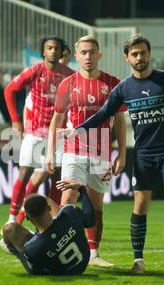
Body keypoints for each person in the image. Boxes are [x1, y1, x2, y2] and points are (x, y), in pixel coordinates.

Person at [67, 34, 164, 274]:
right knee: (140, 205)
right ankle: (138, 260)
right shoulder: (123, 89)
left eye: (143, 53)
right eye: (135, 54)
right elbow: (103, 114)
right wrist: (78, 129)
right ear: (127, 58)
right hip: (143, 154)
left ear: (149, 54)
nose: (140, 57)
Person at [46, 36, 127, 268]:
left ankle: (94, 254)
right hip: (73, 150)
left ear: (99, 55)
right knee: (68, 199)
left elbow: (119, 120)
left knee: (96, 205)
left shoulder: (113, 83)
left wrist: (121, 153)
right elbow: (57, 120)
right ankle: (60, 248)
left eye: (92, 52)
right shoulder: (67, 84)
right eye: (84, 52)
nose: (88, 56)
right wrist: (51, 153)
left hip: (102, 151)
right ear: (76, 56)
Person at [4, 36, 74, 224]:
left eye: (56, 48)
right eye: (49, 48)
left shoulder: (70, 75)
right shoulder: (34, 71)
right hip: (34, 132)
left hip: (58, 136)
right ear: (43, 51)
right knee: (25, 174)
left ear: (61, 52)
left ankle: (52, 220)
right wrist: (15, 120)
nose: (52, 51)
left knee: (56, 178)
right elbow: (9, 90)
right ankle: (12, 221)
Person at [0, 181, 94, 275]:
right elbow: (90, 221)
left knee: (9, 229)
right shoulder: (69, 213)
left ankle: (14, 248)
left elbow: (38, 271)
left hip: (60, 272)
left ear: (28, 217)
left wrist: (23, 253)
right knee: (42, 199)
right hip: (83, 263)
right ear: (49, 208)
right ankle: (40, 234)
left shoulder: (31, 249)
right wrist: (82, 190)